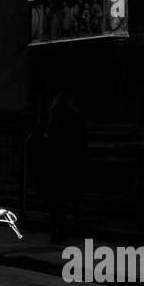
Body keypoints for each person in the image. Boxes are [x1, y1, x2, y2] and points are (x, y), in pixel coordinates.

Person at [44, 90, 87, 243]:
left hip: (57, 162)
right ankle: (63, 228)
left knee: (56, 201)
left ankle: (57, 230)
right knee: (67, 199)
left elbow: (49, 136)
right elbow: (82, 141)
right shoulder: (75, 117)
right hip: (71, 162)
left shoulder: (55, 116)